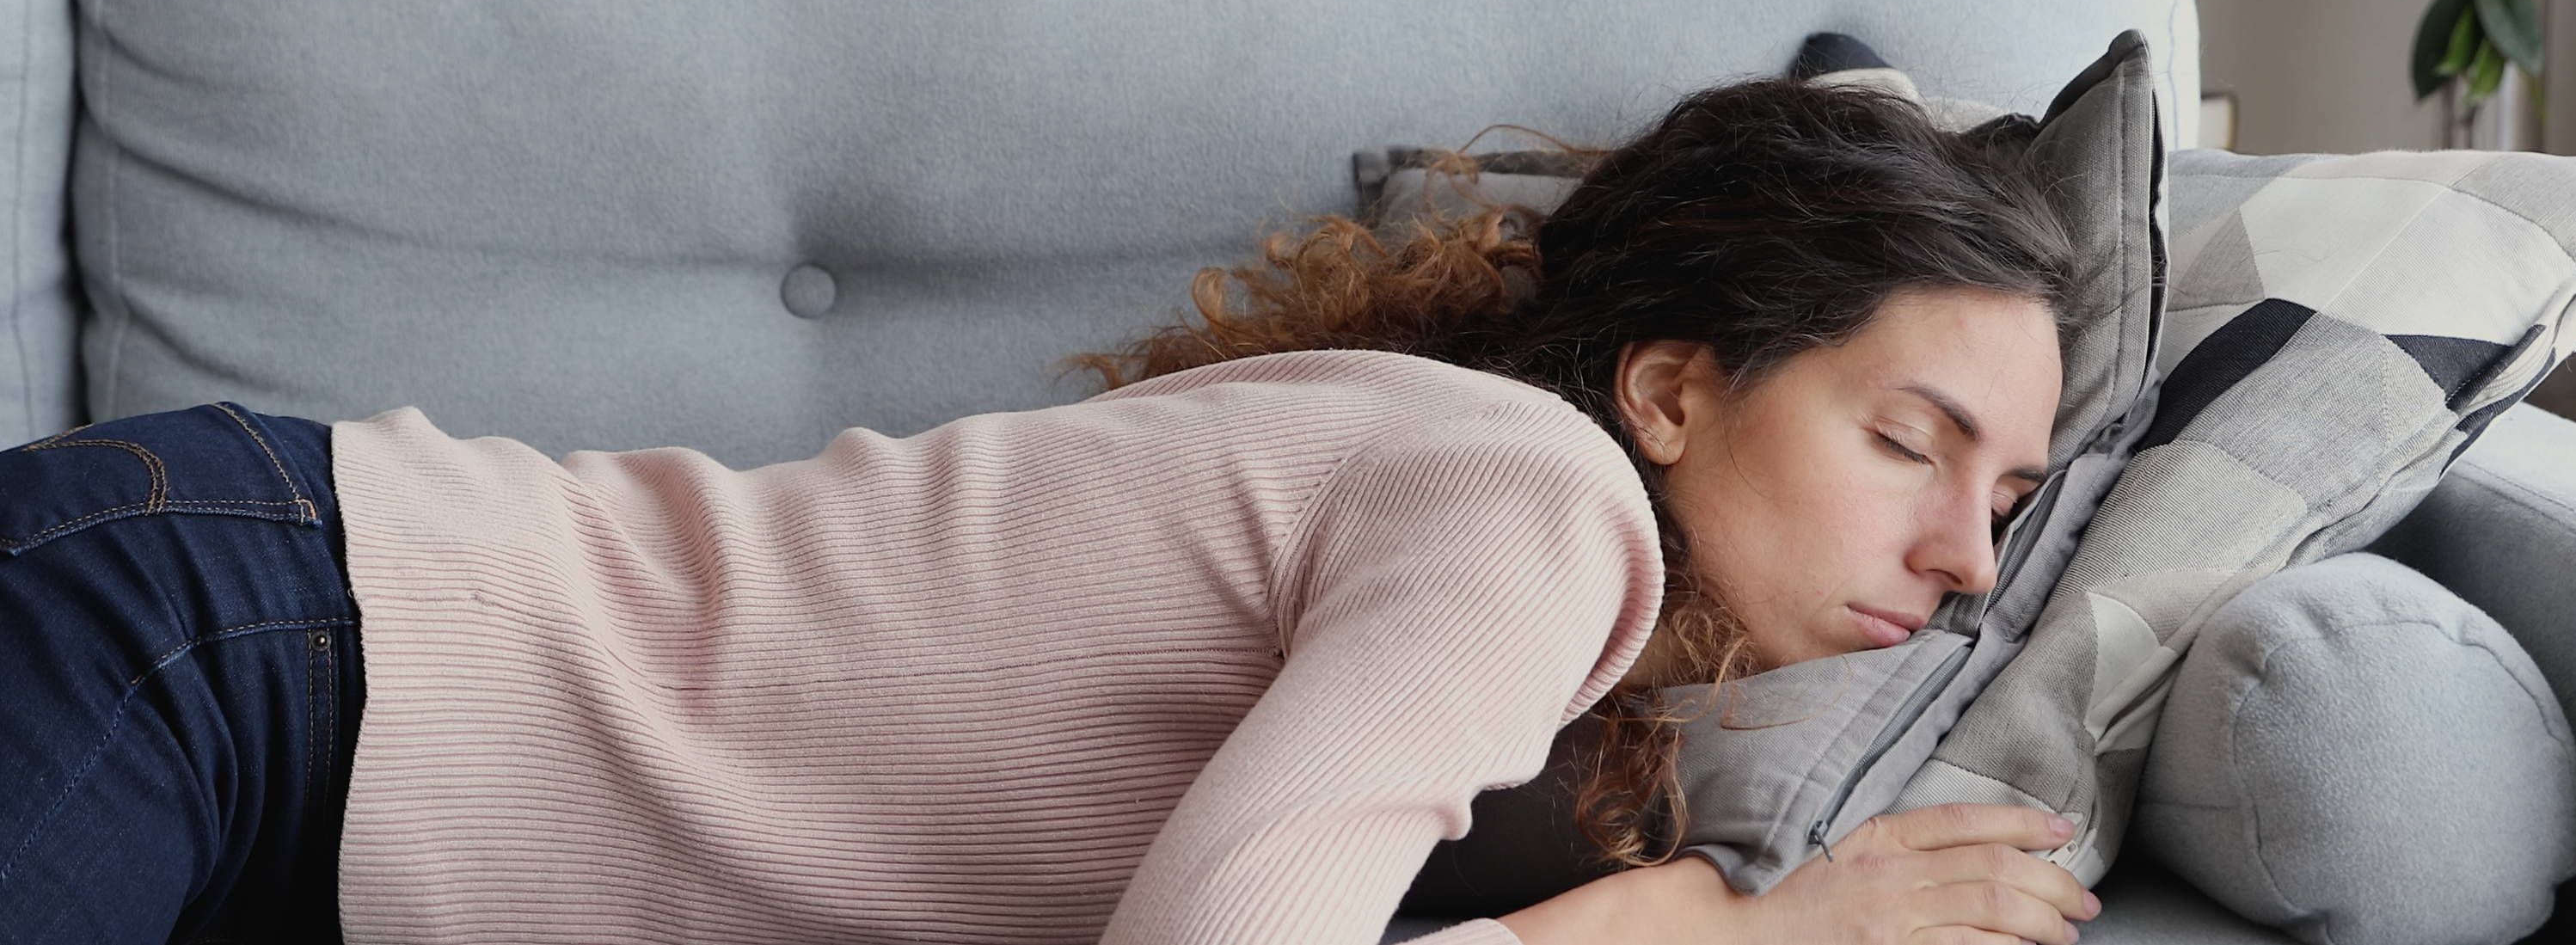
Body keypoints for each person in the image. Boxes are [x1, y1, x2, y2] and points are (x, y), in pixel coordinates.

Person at [0, 76, 2101, 945]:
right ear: (1671, 387)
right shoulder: (1538, 503)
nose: (1970, 557)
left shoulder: (1496, 547)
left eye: (2010, 490)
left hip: (274, 699)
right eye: (1911, 441)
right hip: (236, 641)